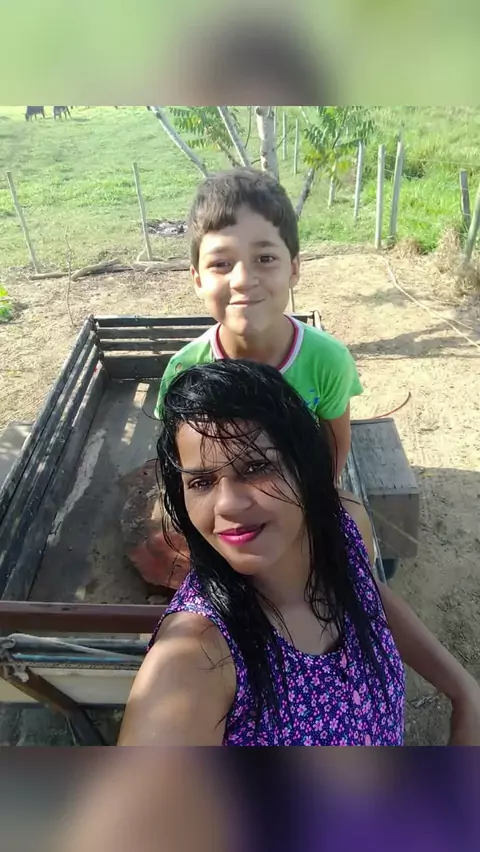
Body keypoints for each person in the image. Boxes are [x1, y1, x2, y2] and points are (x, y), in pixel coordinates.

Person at [120, 360, 480, 747]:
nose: (227, 505)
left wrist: (464, 690)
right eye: (202, 482)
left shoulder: (345, 526)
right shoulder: (196, 656)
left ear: (304, 467)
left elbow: (368, 593)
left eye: (256, 467)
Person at [154, 167, 362, 477]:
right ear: (197, 280)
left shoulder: (327, 361)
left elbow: (335, 446)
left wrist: (321, 497)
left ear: (293, 269)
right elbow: (180, 459)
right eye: (221, 263)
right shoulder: (184, 371)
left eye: (265, 259)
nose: (242, 280)